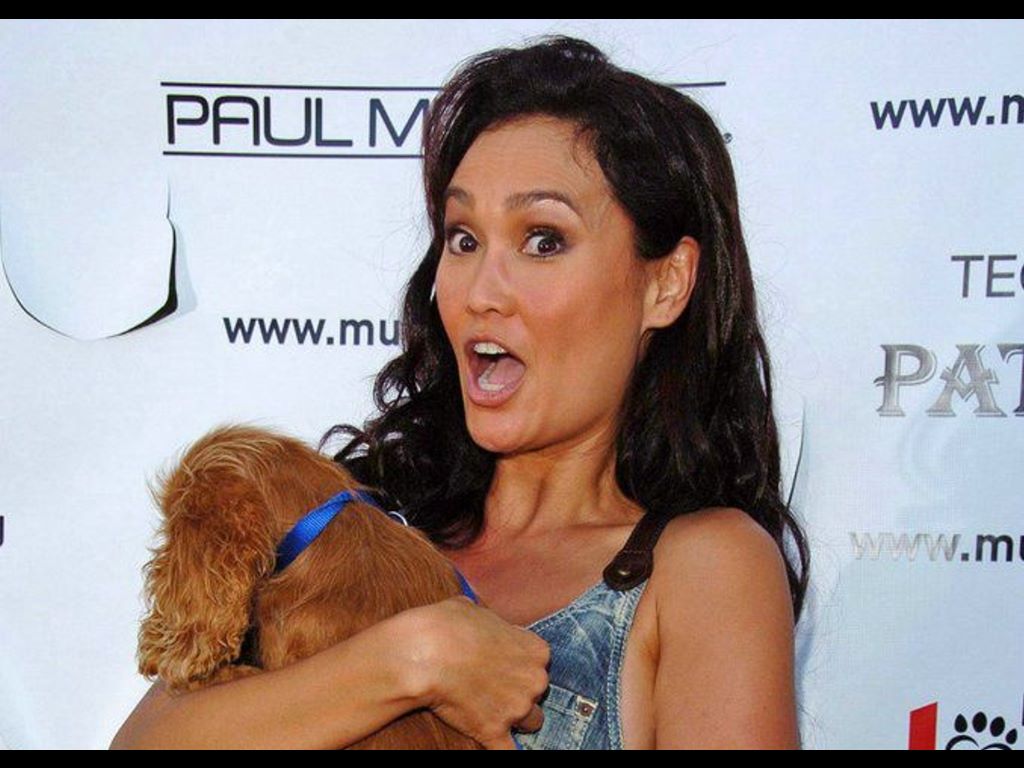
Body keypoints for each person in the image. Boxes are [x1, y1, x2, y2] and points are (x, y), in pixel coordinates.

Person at [111, 33, 809, 749]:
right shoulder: (355, 517)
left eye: (543, 240)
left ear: (666, 283)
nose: (479, 291)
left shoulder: (704, 568)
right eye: (464, 238)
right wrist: (416, 658)